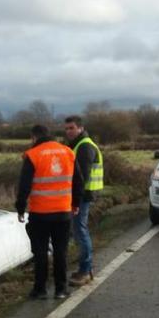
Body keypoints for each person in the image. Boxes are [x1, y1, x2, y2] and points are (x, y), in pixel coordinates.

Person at [16, 125, 83, 300]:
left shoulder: (33, 154)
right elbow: (78, 182)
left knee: (40, 252)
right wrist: (75, 203)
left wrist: (20, 208)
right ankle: (61, 290)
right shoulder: (68, 152)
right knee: (61, 251)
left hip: (40, 213)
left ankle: (40, 290)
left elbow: (24, 186)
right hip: (63, 212)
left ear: (34, 137)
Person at [63, 116, 103, 287]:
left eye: (71, 128)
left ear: (80, 128)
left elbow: (82, 178)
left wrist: (75, 202)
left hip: (83, 196)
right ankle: (85, 269)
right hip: (82, 195)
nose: (68, 131)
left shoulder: (85, 146)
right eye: (66, 128)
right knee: (79, 231)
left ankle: (85, 271)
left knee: (80, 231)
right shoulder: (76, 145)